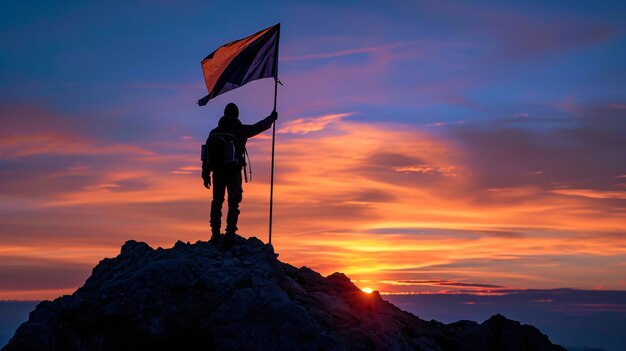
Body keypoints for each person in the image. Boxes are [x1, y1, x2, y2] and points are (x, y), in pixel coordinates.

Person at [202, 103, 277, 247]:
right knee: (233, 204)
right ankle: (230, 236)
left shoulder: (214, 133)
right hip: (233, 173)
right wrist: (272, 118)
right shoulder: (240, 130)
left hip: (217, 173)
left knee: (217, 203)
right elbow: (259, 126)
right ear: (236, 115)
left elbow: (206, 155)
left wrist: (205, 174)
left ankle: (215, 234)